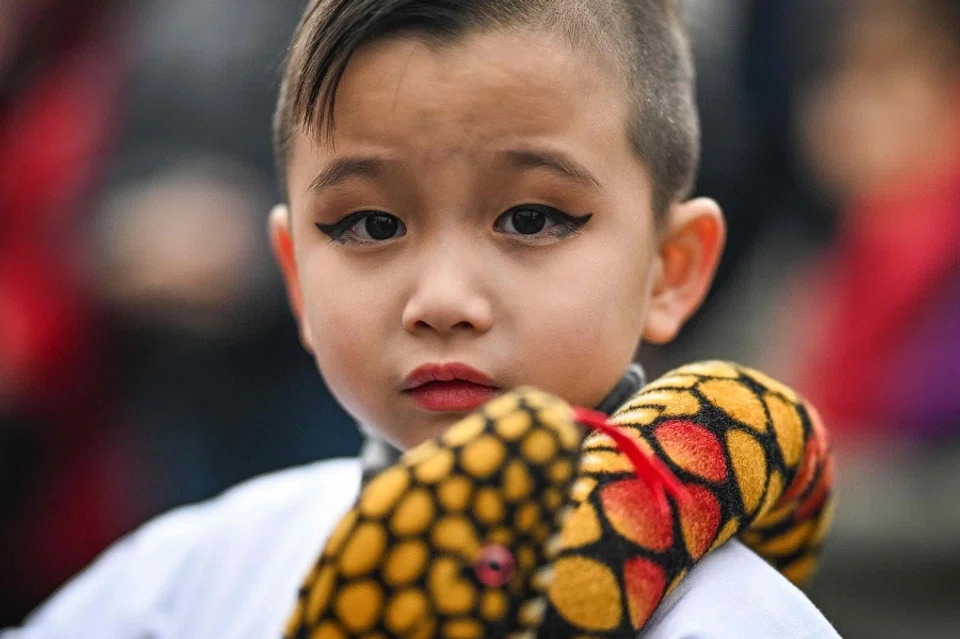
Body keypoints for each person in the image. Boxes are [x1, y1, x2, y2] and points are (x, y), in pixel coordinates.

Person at [3, 1, 840, 637]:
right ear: (296, 273)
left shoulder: (730, 619)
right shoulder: (194, 575)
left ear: (672, 267)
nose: (441, 299)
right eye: (369, 225)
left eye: (533, 218)